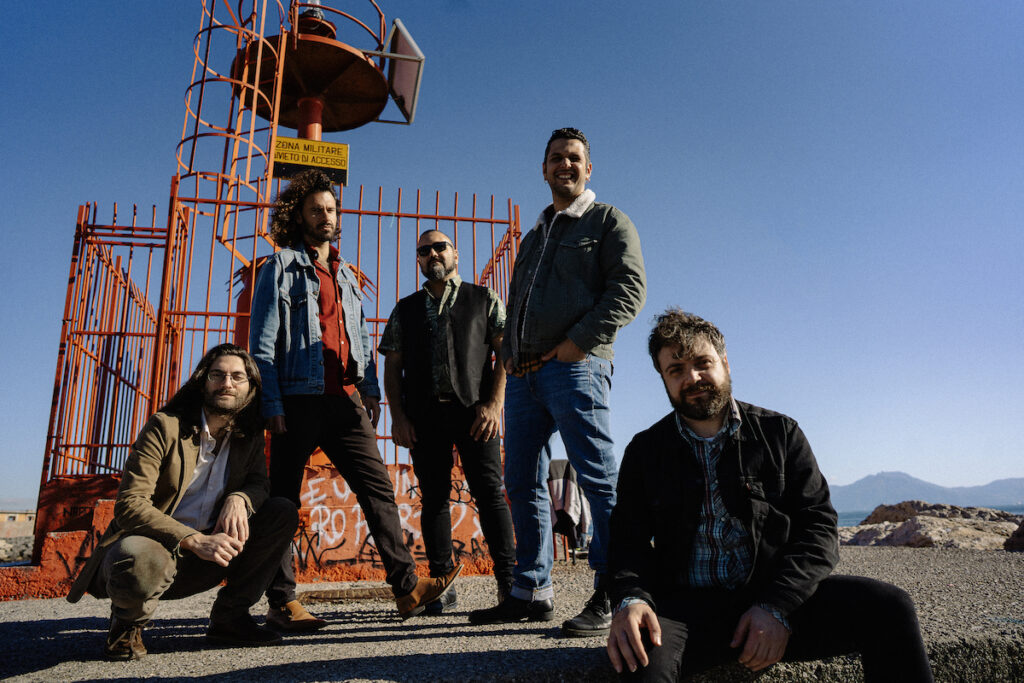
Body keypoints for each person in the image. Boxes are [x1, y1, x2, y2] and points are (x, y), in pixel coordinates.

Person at [605, 310, 934, 681]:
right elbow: (627, 541)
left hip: (771, 601)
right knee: (634, 657)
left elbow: (818, 528)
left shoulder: (781, 434)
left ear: (725, 363)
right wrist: (631, 598)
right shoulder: (645, 451)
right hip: (682, 613)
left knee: (890, 608)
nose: (692, 378)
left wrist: (777, 605)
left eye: (702, 363)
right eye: (676, 369)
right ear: (664, 379)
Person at [248, 170, 460, 630]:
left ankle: (406, 588)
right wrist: (272, 403)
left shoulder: (345, 274)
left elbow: (359, 337)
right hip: (297, 399)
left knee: (377, 489)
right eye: (315, 210)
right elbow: (262, 344)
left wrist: (369, 388)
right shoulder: (279, 266)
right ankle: (282, 602)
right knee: (283, 500)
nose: (325, 216)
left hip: (344, 401)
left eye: (330, 209)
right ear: (299, 217)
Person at [469, 128, 646, 637]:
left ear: (588, 169)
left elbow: (629, 289)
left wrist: (578, 343)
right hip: (523, 376)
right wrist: (507, 354)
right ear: (543, 169)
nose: (564, 165)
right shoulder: (533, 237)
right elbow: (515, 302)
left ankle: (615, 590)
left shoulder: (608, 221)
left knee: (598, 478)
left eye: (574, 158)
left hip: (577, 368)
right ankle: (532, 591)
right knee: (521, 482)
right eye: (555, 158)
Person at [67, 344, 297, 660]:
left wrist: (240, 498)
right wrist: (193, 540)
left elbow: (259, 483)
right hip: (159, 551)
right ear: (203, 382)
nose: (227, 383)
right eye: (217, 375)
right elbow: (130, 504)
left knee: (281, 511)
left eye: (237, 377)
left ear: (251, 388)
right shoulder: (165, 426)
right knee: (136, 555)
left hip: (213, 555)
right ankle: (127, 624)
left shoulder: (249, 434)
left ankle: (230, 619)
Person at [378, 230, 516, 613]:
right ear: (419, 260)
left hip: (475, 413)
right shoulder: (405, 309)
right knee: (434, 498)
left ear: (455, 253)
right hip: (424, 416)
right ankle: (441, 584)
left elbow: (504, 352)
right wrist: (398, 417)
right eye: (424, 250)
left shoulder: (484, 298)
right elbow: (392, 366)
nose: (433, 254)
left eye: (440, 247)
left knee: (490, 494)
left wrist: (494, 404)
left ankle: (509, 582)